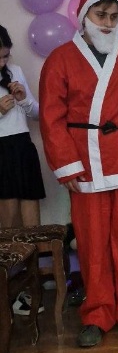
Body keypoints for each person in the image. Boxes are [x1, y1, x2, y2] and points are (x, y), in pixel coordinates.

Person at [39, 0, 118, 348]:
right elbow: (51, 117)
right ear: (84, 17)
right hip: (86, 163)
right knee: (92, 245)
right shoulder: (60, 59)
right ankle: (97, 314)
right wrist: (66, 165)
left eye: (114, 17)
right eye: (101, 15)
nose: (108, 23)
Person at [0, 25, 46, 315]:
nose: (3, 62)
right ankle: (8, 292)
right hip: (1, 152)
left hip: (22, 147)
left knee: (32, 227)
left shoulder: (15, 71)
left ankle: (32, 290)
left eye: (5, 56)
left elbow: (38, 114)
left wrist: (23, 99)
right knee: (8, 227)